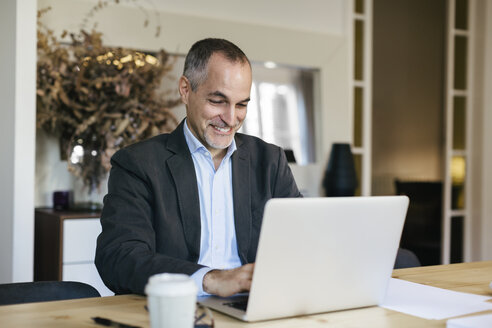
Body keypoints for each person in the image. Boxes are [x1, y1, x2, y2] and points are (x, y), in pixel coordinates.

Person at [95, 38, 301, 298]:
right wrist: (209, 279)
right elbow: (119, 258)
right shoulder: (138, 164)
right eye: (217, 101)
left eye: (241, 105)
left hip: (254, 309)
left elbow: (301, 243)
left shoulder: (271, 161)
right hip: (174, 310)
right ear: (185, 90)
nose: (230, 118)